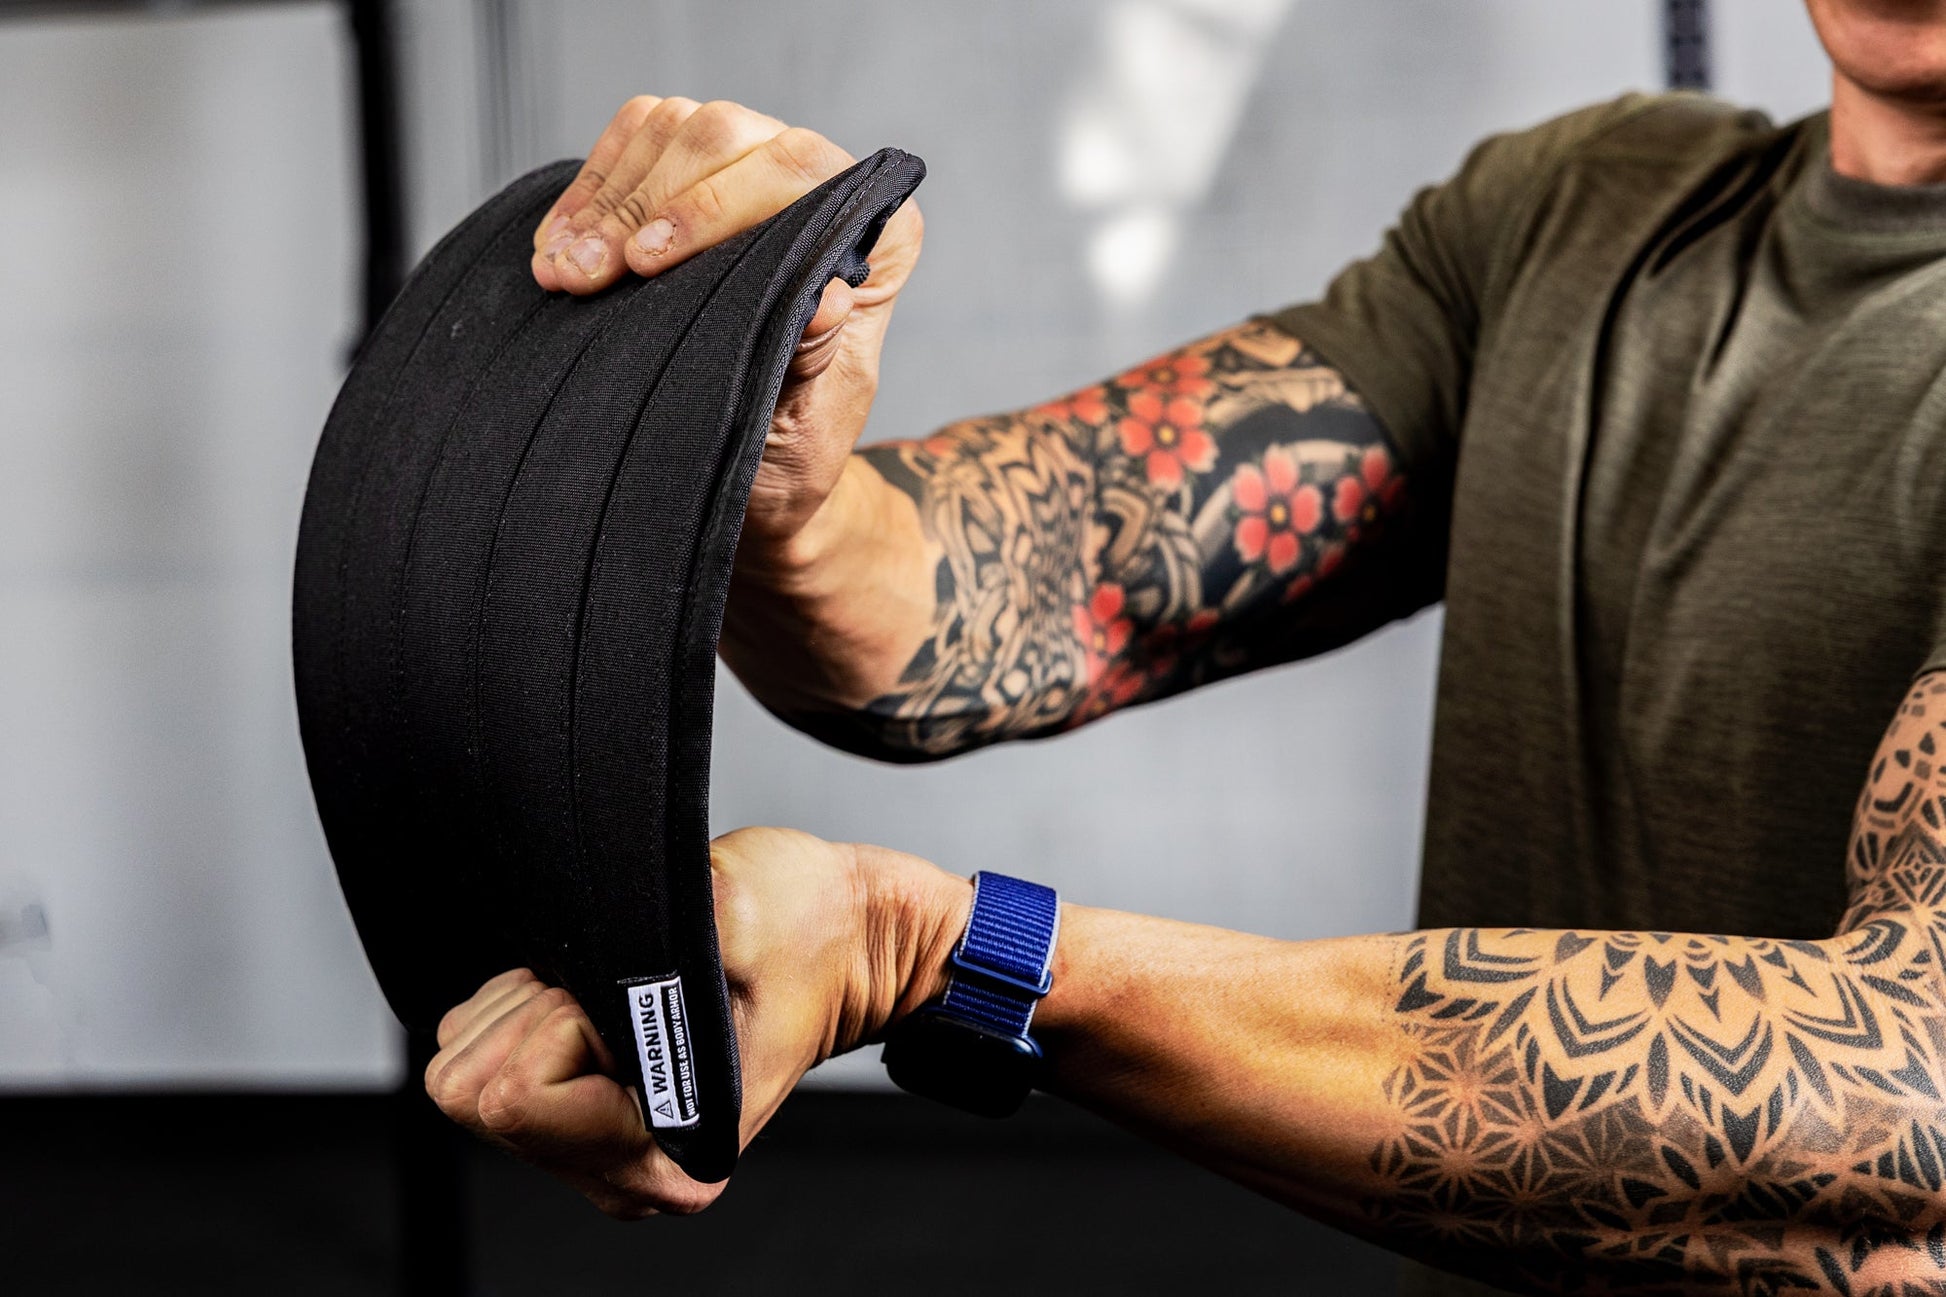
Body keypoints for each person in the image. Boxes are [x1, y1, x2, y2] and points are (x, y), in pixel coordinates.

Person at [421, 4, 1946, 1292]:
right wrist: (765, 446)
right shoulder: (1588, 203)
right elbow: (1060, 572)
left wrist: (939, 953)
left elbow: (1905, 1093)